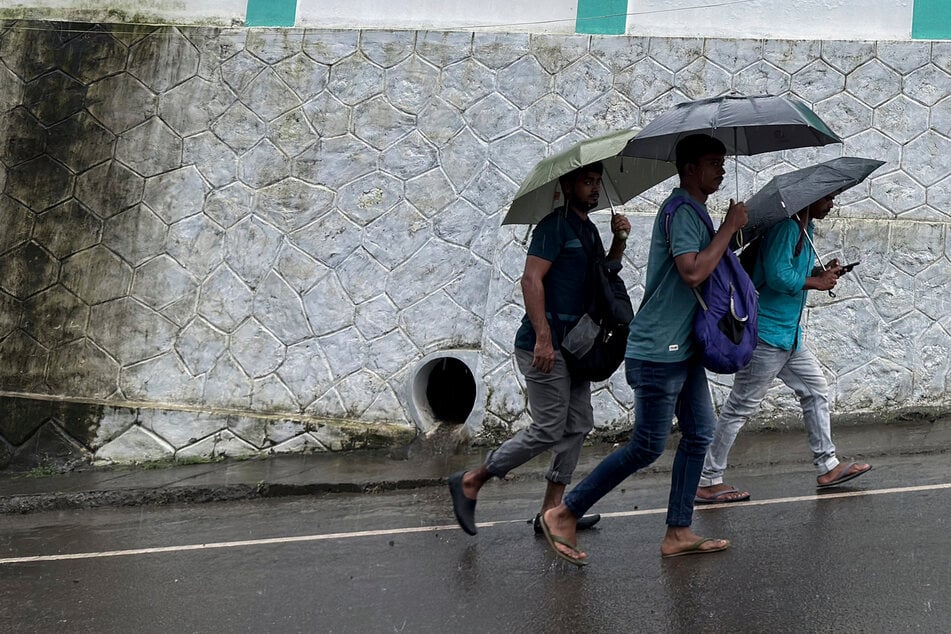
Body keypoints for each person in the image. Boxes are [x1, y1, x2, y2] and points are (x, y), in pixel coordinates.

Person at [540, 134, 746, 565]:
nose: (721, 170)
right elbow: (692, 272)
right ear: (690, 168)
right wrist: (728, 228)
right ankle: (564, 513)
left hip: (682, 347)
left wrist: (733, 233)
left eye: (722, 162)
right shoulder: (681, 210)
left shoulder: (696, 212)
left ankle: (678, 530)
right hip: (658, 350)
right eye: (713, 162)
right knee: (647, 446)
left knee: (699, 433)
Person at [448, 162, 631, 537]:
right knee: (550, 427)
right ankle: (472, 479)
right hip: (544, 346)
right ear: (567, 185)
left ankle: (553, 511)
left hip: (576, 346)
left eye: (597, 182)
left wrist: (620, 240)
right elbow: (531, 279)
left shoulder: (588, 229)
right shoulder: (553, 227)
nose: (594, 189)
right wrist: (543, 338)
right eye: (586, 182)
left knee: (577, 424)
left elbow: (602, 273)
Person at [695, 193, 872, 505]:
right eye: (827, 198)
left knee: (815, 389)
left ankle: (828, 466)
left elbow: (787, 268)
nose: (832, 204)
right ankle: (709, 477)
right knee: (740, 407)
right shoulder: (787, 228)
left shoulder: (805, 229)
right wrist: (815, 283)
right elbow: (777, 276)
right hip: (767, 334)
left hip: (789, 338)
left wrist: (819, 271)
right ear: (810, 198)